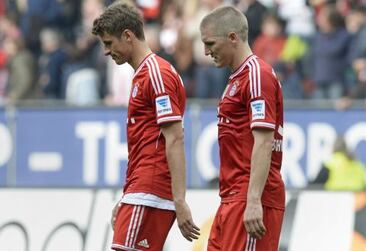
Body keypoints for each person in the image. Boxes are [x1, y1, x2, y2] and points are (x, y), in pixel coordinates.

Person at [91, 2, 200, 250]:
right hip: (141, 189)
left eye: (109, 43)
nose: (107, 51)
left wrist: (179, 199)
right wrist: (127, 196)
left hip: (149, 190)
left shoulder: (156, 74)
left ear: (128, 36)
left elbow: (174, 138)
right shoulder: (145, 74)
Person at [200, 5, 285, 250]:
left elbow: (264, 141)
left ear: (233, 38)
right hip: (231, 198)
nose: (206, 51)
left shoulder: (257, 74)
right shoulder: (237, 78)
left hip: (250, 196)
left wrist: (254, 200)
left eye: (210, 43)